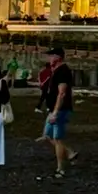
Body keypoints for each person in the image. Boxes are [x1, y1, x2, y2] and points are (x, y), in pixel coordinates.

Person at [39, 48, 77, 179]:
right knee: (47, 135)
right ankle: (69, 153)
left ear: (58, 57)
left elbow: (62, 93)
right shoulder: (55, 71)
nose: (49, 58)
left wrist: (55, 112)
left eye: (52, 56)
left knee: (57, 138)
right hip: (53, 109)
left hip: (60, 109)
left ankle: (60, 168)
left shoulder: (63, 71)